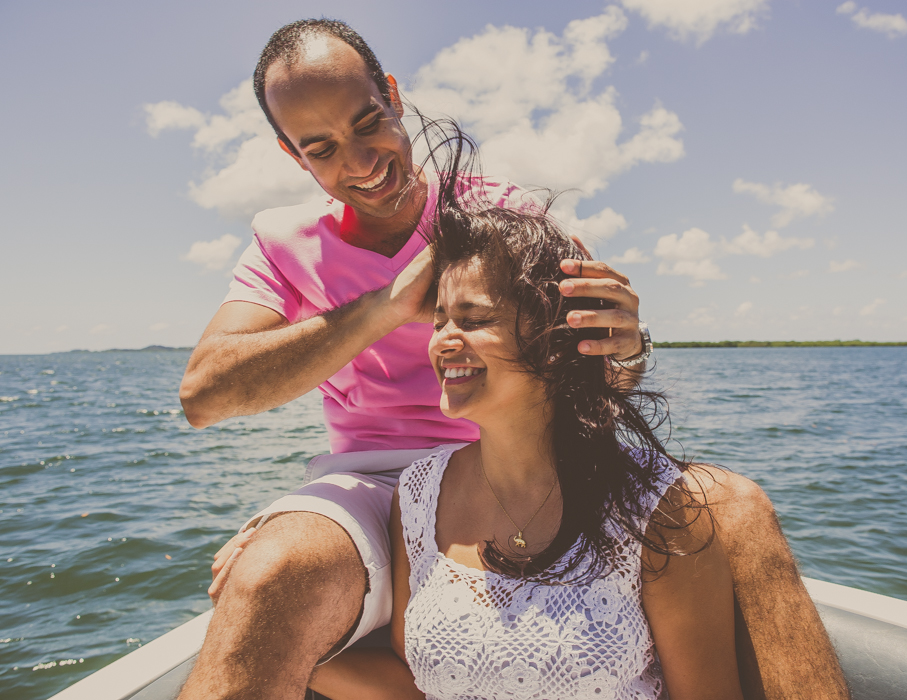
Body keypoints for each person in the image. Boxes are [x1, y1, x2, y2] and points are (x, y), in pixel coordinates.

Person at [176, 18, 850, 700]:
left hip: (526, 460)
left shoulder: (497, 215)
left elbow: (596, 372)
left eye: (368, 122)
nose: (359, 162)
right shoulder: (279, 244)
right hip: (375, 486)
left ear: (392, 93)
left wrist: (623, 345)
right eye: (320, 149)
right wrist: (388, 304)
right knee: (269, 574)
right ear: (295, 157)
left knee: (735, 508)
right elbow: (204, 395)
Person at [308, 142, 744, 700]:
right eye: (438, 320)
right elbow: (419, 687)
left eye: (472, 318)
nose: (443, 340)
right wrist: (287, 640)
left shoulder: (658, 507)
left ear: (553, 337)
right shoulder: (416, 496)